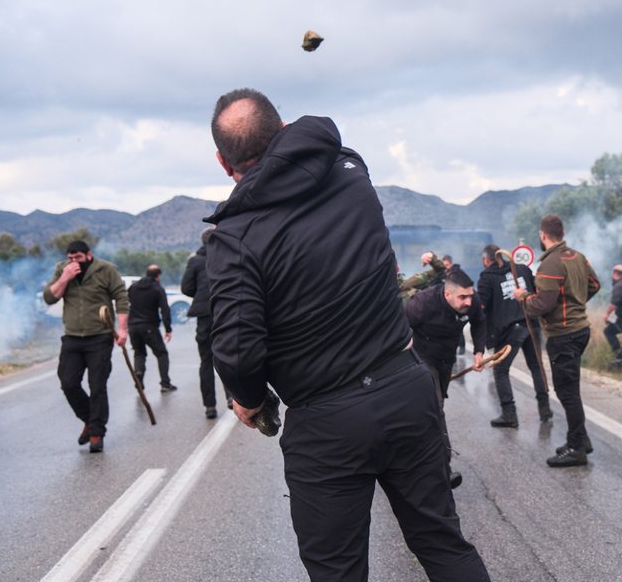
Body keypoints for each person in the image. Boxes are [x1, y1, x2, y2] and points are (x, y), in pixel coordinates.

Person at [204, 88, 489, 581]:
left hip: (326, 422)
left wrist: (247, 398)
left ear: (223, 163)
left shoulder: (234, 238)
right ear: (283, 130)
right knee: (443, 543)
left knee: (338, 572)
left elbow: (237, 349)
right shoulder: (350, 170)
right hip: (406, 388)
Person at [513, 215, 600, 467]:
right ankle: (581, 439)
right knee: (569, 389)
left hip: (563, 334)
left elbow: (543, 304)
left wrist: (523, 297)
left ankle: (576, 448)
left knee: (567, 392)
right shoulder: (578, 257)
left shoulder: (550, 264)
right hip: (580, 329)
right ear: (562, 233)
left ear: (543, 235)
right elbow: (595, 285)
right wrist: (575, 303)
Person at [43, 240, 128, 454]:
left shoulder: (106, 270)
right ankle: (89, 420)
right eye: (71, 258)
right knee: (68, 383)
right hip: (72, 337)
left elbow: (121, 297)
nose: (74, 261)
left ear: (88, 255)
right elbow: (50, 298)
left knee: (97, 385)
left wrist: (122, 330)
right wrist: (65, 277)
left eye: (78, 257)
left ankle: (97, 433)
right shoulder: (62, 270)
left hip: (100, 337)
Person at [406, 269, 487, 488]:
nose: (468, 301)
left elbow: (480, 322)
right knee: (435, 408)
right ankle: (444, 470)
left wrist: (479, 352)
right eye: (463, 297)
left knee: (424, 413)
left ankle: (416, 458)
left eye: (470, 296)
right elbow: (396, 326)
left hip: (445, 360)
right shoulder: (422, 303)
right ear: (447, 294)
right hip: (420, 359)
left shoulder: (472, 302)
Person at [477, 244, 551, 427]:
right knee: (536, 367)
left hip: (509, 330)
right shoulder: (523, 269)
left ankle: (509, 414)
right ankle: (545, 409)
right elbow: (536, 291)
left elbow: (481, 307)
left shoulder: (487, 277)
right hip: (531, 323)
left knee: (500, 370)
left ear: (486, 260)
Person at [181, 228, 232, 419]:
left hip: (204, 315)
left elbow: (186, 288)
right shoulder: (227, 258)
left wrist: (201, 294)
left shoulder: (194, 261)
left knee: (206, 361)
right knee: (228, 357)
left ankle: (210, 406)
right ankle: (232, 396)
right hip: (224, 312)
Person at [127, 264, 176, 393]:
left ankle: (139, 374)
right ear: (158, 276)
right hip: (149, 326)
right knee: (161, 353)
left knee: (139, 352)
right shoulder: (157, 288)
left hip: (133, 326)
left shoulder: (133, 287)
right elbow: (165, 310)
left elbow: (127, 303)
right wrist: (168, 329)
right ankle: (165, 383)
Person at [442, 255, 468, 355]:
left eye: (447, 265)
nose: (446, 267)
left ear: (451, 263)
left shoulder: (458, 273)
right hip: (447, 303)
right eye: (444, 265)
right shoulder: (443, 274)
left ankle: (462, 346)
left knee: (458, 326)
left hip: (458, 302)